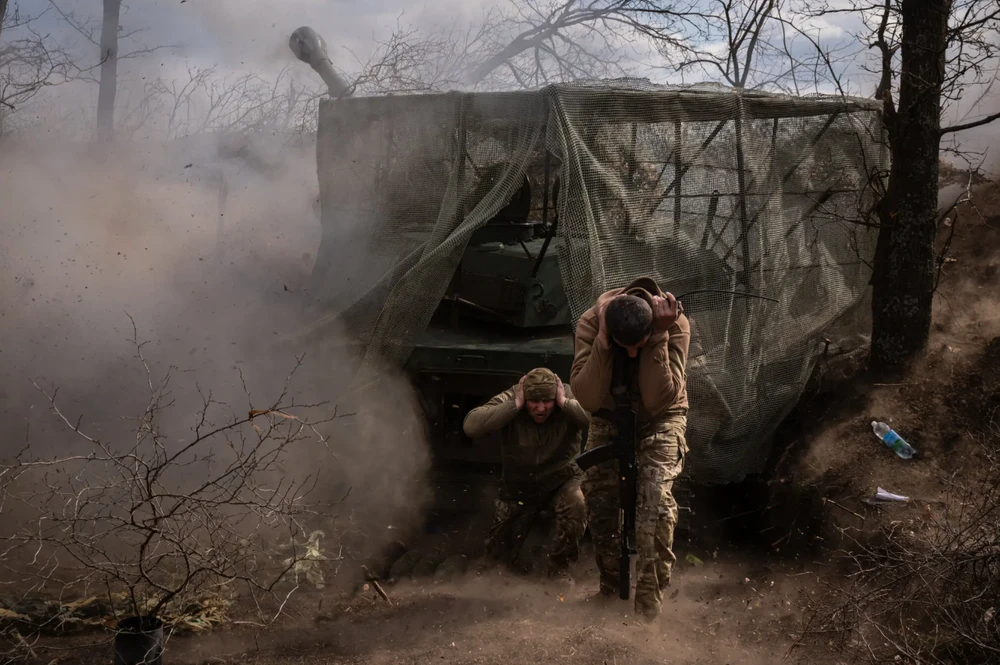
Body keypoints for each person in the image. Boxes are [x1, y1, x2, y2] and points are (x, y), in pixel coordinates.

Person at [569, 276, 690, 619]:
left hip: (661, 416)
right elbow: (588, 397)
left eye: (639, 344)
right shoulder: (593, 323)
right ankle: (610, 588)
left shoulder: (674, 322)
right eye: (628, 346)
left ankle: (648, 609)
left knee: (654, 504)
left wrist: (659, 336)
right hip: (608, 415)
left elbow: (657, 399)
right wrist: (604, 344)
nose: (633, 352)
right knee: (600, 501)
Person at [462, 368, 591, 579]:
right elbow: (471, 426)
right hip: (519, 488)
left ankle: (559, 570)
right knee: (496, 560)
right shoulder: (513, 396)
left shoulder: (566, 394)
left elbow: (594, 419)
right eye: (534, 402)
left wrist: (565, 403)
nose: (541, 408)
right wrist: (515, 405)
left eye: (547, 402)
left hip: (562, 480)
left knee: (577, 502)